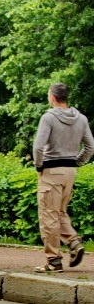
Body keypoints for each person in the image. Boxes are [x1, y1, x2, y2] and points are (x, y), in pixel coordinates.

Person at [32, 83, 94, 273]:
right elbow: (90, 147)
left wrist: (39, 165)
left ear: (52, 97)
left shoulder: (48, 118)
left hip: (51, 171)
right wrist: (77, 162)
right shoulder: (81, 119)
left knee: (48, 216)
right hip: (70, 171)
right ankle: (74, 243)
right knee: (59, 212)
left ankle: (54, 260)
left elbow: (38, 147)